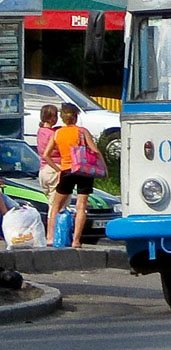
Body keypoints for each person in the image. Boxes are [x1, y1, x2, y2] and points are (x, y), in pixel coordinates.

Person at [42, 103, 104, 248]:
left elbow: (46, 155)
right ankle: (76, 240)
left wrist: (58, 169)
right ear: (75, 117)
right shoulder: (82, 131)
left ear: (63, 118)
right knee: (81, 206)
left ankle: (51, 237)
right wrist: (104, 168)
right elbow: (95, 151)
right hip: (83, 171)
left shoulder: (57, 133)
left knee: (56, 206)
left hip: (66, 171)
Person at [36, 104, 61, 204]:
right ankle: (53, 220)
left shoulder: (40, 131)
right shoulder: (53, 134)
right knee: (56, 204)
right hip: (54, 167)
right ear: (51, 118)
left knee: (50, 201)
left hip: (43, 170)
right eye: (55, 116)